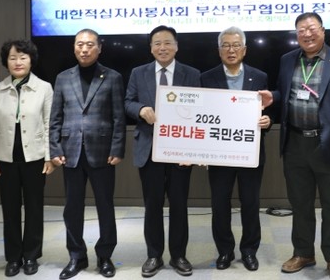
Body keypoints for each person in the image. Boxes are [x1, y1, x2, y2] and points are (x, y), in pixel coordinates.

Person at [259, 12, 330, 280]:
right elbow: (286, 92)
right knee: (300, 203)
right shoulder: (287, 60)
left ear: (323, 31)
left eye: (312, 28)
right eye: (301, 30)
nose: (307, 34)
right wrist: (274, 96)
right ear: (296, 35)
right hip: (295, 143)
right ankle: (303, 252)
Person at [49, 29, 126, 279]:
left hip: (102, 152)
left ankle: (105, 256)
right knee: (72, 208)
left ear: (99, 48)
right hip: (70, 152)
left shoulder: (112, 77)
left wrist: (117, 148)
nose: (84, 49)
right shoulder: (63, 78)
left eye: (90, 44)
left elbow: (118, 117)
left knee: (105, 206)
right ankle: (76, 256)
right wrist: (54, 148)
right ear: (74, 47)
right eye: (80, 44)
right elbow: (55, 117)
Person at [125, 25, 201, 277]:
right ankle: (154, 255)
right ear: (151, 48)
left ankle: (178, 255)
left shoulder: (192, 74)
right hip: (149, 149)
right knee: (153, 205)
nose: (162, 47)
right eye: (157, 43)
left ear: (176, 46)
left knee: (179, 205)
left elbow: (201, 110)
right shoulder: (139, 73)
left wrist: (194, 151)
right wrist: (140, 109)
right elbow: (127, 102)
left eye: (168, 42)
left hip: (180, 151)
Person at [200, 26, 272, 272]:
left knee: (250, 203)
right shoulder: (206, 78)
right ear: (219, 50)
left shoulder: (259, 77)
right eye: (226, 45)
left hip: (249, 152)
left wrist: (268, 121)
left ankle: (249, 251)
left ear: (244, 49)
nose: (231, 50)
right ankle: (225, 251)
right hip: (219, 153)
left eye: (235, 45)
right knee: (220, 204)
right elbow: (202, 115)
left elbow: (269, 111)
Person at [0, 39, 54, 277]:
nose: (18, 62)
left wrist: (49, 157)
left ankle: (31, 255)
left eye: (23, 57)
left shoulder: (44, 88)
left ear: (31, 60)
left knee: (34, 209)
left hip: (35, 158)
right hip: (5, 159)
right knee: (10, 210)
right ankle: (13, 257)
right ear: (6, 62)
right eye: (12, 58)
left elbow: (49, 125)